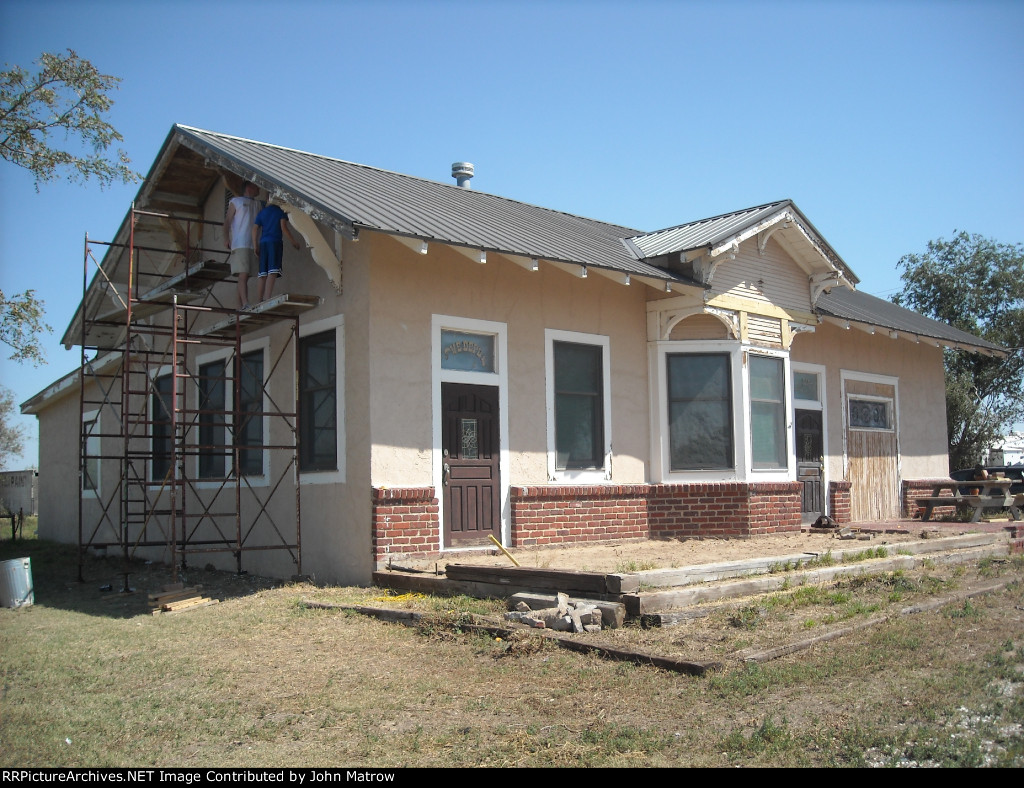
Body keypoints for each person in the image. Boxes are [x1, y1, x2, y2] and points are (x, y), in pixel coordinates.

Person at [252, 198, 301, 303]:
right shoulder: (279, 211)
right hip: (275, 242)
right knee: (272, 271)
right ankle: (267, 297)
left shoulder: (262, 212)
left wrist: (255, 245)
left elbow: (255, 228)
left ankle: (259, 299)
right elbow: (283, 227)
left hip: (263, 243)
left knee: (262, 273)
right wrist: (293, 242)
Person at [223, 181, 261, 309]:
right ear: (249, 188)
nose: (259, 189)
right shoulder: (236, 201)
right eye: (256, 186)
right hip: (240, 243)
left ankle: (239, 305)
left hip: (253, 244)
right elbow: (227, 221)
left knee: (246, 275)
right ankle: (245, 303)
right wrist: (226, 238)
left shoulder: (257, 204)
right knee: (243, 274)